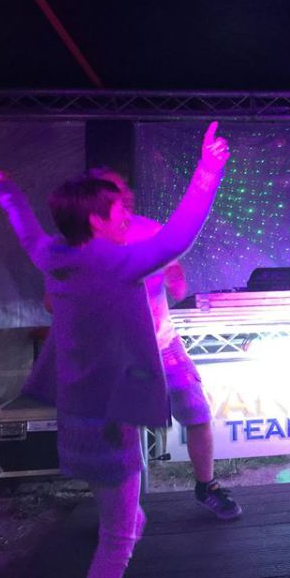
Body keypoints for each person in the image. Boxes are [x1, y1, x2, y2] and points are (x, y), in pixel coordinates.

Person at [0, 122, 230, 578]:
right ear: (96, 220)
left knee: (127, 519)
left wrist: (6, 191)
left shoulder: (55, 256)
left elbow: (27, 232)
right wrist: (207, 171)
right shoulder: (115, 263)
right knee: (118, 541)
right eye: (118, 211)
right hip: (112, 429)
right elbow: (178, 238)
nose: (125, 218)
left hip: (78, 421)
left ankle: (133, 518)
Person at [86, 167, 240, 520]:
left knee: (197, 412)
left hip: (163, 344)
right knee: (120, 431)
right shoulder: (82, 244)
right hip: (116, 355)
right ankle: (122, 509)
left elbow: (176, 279)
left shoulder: (149, 229)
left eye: (123, 191)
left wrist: (173, 277)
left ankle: (206, 486)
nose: (124, 198)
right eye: (114, 194)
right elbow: (53, 301)